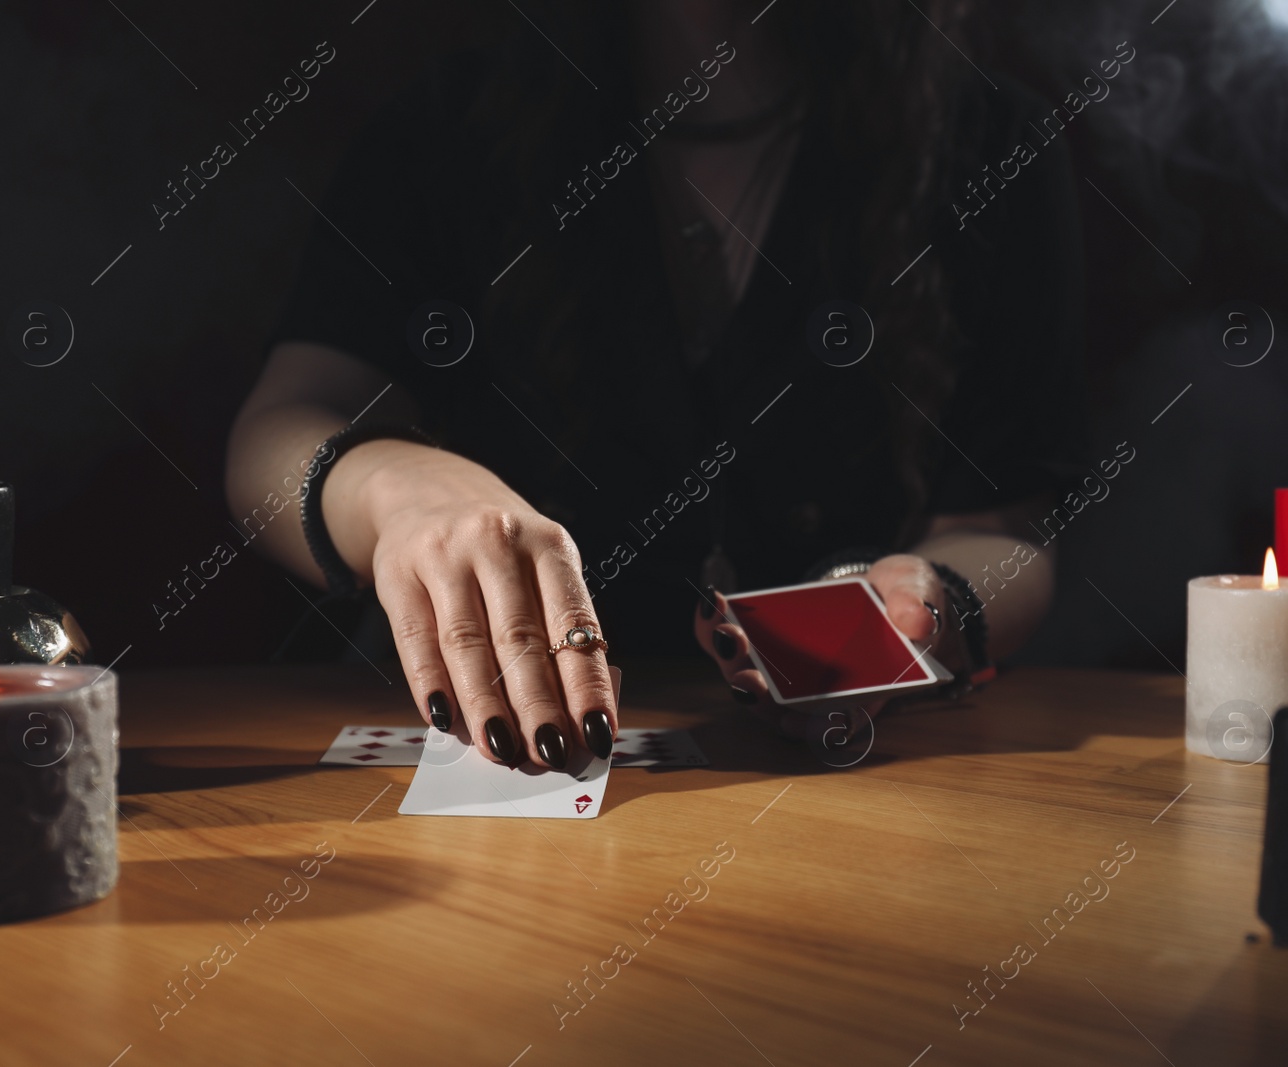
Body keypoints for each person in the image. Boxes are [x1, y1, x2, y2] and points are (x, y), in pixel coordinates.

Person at [226, 0, 1085, 771]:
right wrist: (394, 488)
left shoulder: (992, 145)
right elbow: (274, 433)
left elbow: (1004, 528)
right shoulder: (447, 126)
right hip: (486, 768)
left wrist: (921, 608)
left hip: (863, 788)